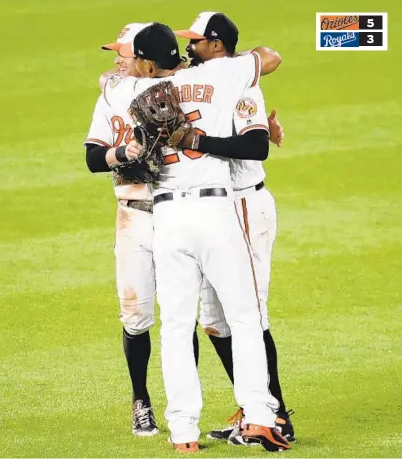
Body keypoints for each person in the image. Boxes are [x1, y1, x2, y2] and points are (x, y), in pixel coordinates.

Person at [103, 22, 291, 453]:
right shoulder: (218, 75)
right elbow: (267, 57)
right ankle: (260, 417)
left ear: (146, 62)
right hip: (216, 211)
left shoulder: (128, 90)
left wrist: (146, 77)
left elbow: (110, 79)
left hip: (168, 217)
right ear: (179, 53)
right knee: (244, 318)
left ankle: (184, 433)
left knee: (174, 328)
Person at [175, 12, 295, 443]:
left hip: (245, 203)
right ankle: (251, 404)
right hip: (218, 209)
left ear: (217, 45)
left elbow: (256, 145)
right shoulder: (206, 80)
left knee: (251, 315)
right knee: (214, 319)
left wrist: (197, 141)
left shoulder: (239, 81)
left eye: (196, 42)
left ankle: (275, 414)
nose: (189, 48)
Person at [84, 22, 199, 437]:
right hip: (132, 214)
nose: (115, 59)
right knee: (136, 317)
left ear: (145, 61)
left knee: (181, 315)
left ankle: (184, 405)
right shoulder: (113, 92)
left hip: (175, 211)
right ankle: (141, 401)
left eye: (123, 53)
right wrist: (120, 152)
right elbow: (93, 158)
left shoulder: (165, 86)